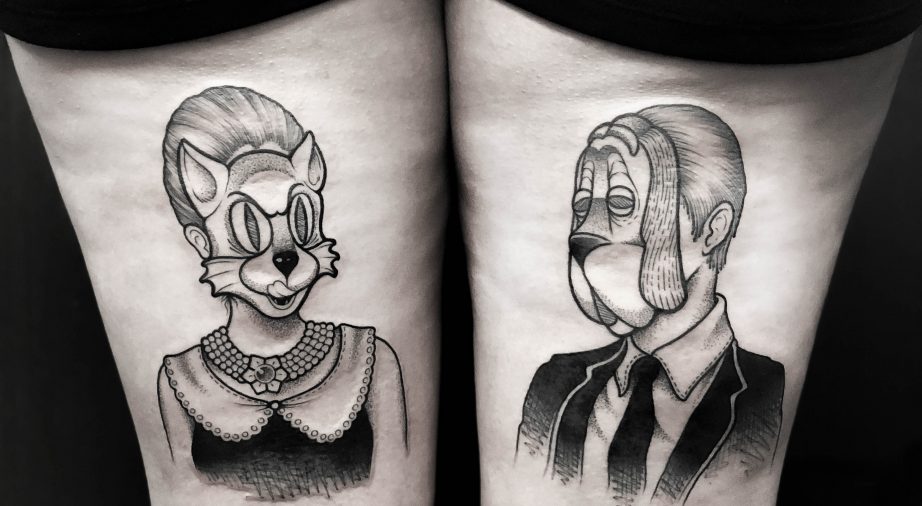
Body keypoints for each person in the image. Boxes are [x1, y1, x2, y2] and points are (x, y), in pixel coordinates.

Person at [1, 0, 920, 504]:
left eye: (622, 201)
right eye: (587, 200)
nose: (589, 226)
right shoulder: (559, 387)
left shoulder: (739, 391)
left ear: (713, 231)